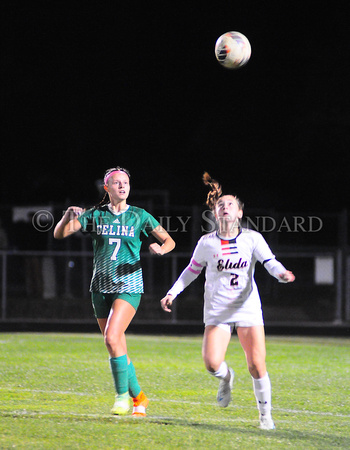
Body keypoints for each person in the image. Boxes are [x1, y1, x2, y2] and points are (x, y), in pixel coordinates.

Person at [160, 172, 295, 430]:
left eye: (230, 203)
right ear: (214, 212)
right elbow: (191, 270)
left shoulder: (252, 238)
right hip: (217, 310)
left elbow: (270, 262)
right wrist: (172, 292)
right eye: (220, 204)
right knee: (212, 363)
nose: (224, 206)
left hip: (247, 308)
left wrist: (282, 274)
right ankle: (227, 377)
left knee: (256, 364)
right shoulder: (206, 242)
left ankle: (265, 416)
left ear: (240, 213)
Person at [54, 166, 175, 416]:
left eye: (126, 183)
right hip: (100, 286)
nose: (122, 186)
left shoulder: (140, 215)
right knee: (116, 345)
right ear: (106, 188)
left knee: (111, 338)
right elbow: (60, 234)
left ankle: (121, 397)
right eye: (117, 183)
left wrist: (161, 250)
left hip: (128, 285)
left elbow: (169, 240)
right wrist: (67, 215)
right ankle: (140, 398)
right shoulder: (96, 214)